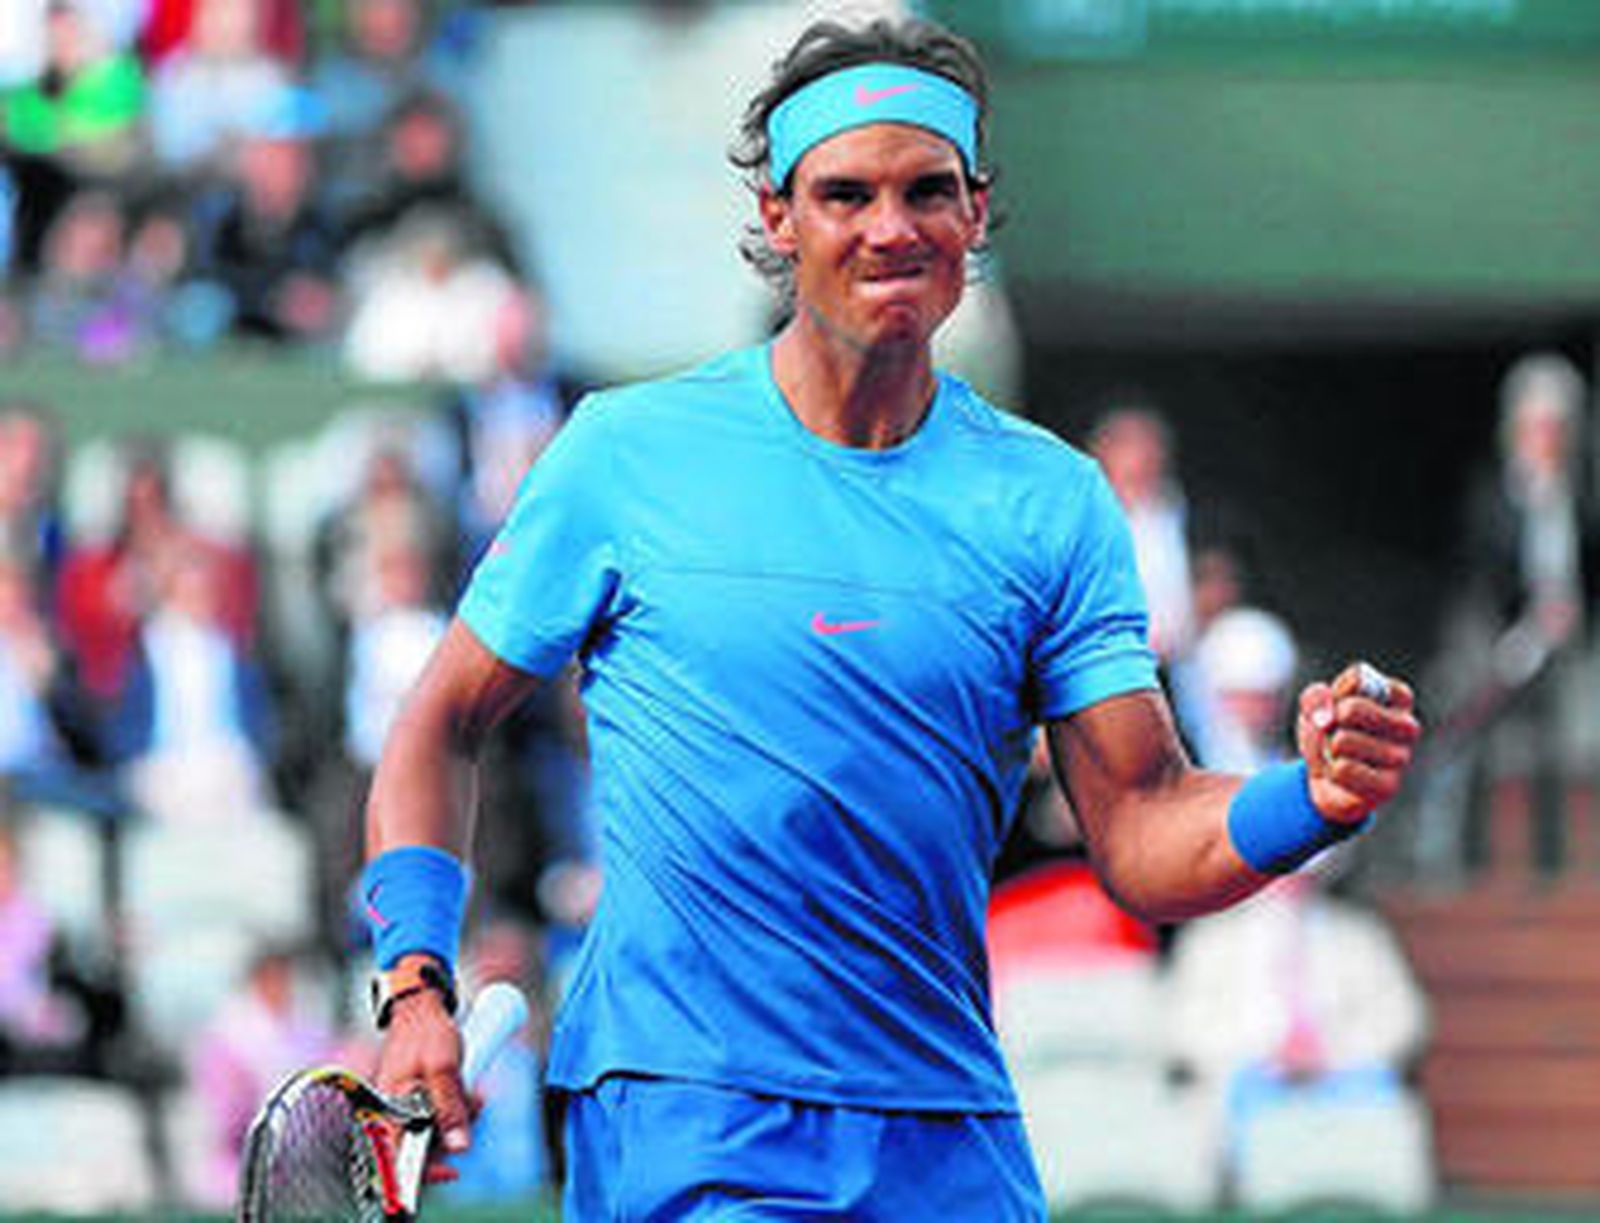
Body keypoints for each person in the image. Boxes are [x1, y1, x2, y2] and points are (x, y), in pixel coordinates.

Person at [357, 16, 1421, 1219]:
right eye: (844, 192)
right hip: (690, 1113)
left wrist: (1312, 798)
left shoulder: (1050, 500)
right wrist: (412, 978)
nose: (888, 228)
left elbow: (1138, 825)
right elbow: (439, 721)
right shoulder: (622, 451)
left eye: (926, 190)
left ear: (975, 213)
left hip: (943, 1124)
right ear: (778, 215)